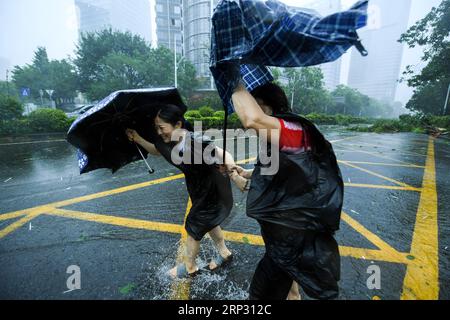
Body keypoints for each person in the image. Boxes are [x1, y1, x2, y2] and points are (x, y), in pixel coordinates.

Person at [231, 81, 344, 300]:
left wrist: (233, 80)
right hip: (287, 234)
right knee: (293, 280)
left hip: (293, 237)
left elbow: (250, 119)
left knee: (261, 295)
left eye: (258, 107)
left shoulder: (290, 130)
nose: (250, 123)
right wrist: (245, 173)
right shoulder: (281, 135)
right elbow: (279, 175)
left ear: (271, 107)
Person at [126, 104, 249, 279]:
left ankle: (190, 266)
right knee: (210, 220)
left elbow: (224, 154)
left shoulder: (196, 141)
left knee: (195, 223)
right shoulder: (166, 142)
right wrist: (137, 138)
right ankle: (224, 252)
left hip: (213, 187)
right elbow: (157, 149)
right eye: (156, 128)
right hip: (197, 187)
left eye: (162, 128)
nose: (159, 132)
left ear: (177, 125)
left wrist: (235, 176)